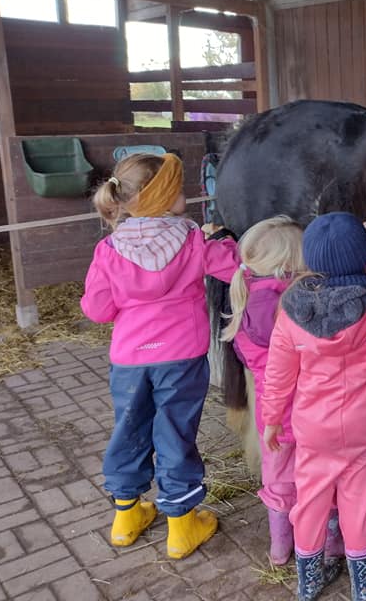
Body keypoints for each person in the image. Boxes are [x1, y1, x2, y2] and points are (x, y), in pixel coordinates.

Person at [80, 152, 239, 559]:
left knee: (129, 429)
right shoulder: (190, 238)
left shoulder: (109, 248)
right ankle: (181, 527)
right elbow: (234, 267)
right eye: (179, 187)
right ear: (166, 196)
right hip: (182, 357)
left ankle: (126, 516)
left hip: (130, 359)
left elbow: (97, 311)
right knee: (175, 432)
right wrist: (224, 240)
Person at [223, 211, 366, 567]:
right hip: (319, 417)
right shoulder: (304, 311)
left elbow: (272, 376)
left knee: (286, 485)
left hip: (278, 421)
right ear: (291, 269)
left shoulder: (247, 308)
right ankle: (343, 556)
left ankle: (285, 554)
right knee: (336, 490)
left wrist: (270, 418)